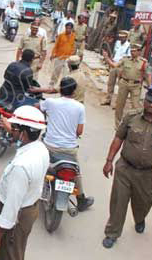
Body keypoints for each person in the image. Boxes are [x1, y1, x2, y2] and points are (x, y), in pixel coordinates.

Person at [102, 85, 152, 249]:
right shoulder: (131, 116)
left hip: (148, 173)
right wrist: (109, 161)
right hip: (125, 167)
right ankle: (112, 232)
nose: (151, 106)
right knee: (118, 201)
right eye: (148, 102)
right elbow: (118, 138)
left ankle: (140, 217)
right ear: (144, 101)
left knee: (144, 202)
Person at [0, 105, 49, 260]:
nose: (10, 130)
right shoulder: (40, 149)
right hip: (29, 208)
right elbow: (23, 142)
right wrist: (12, 129)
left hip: (16, 217)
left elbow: (10, 209)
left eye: (14, 128)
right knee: (17, 250)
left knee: (9, 254)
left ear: (24, 133)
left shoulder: (21, 167)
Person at [38, 77, 94, 211]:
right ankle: (81, 200)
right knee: (76, 172)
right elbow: (79, 131)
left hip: (49, 146)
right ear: (74, 91)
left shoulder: (51, 102)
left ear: (60, 89)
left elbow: (38, 107)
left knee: (40, 165)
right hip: (69, 150)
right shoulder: (80, 107)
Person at [103, 43, 149, 127]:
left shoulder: (143, 63)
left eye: (134, 51)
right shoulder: (125, 60)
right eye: (131, 51)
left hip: (136, 85)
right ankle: (118, 124)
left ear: (139, 52)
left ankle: (133, 125)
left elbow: (148, 74)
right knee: (119, 105)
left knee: (136, 106)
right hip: (124, 83)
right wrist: (106, 58)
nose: (132, 53)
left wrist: (150, 86)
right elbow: (114, 65)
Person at [101, 31, 131, 106]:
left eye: (123, 37)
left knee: (121, 85)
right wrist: (110, 60)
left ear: (126, 37)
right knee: (110, 83)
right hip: (113, 63)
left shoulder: (128, 46)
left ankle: (118, 103)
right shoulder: (117, 43)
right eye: (120, 36)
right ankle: (108, 99)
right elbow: (114, 52)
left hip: (121, 66)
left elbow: (128, 58)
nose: (121, 38)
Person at [50, 22, 75, 87]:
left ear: (72, 29)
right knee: (56, 71)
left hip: (68, 58)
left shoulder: (73, 36)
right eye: (67, 28)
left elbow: (73, 47)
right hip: (59, 57)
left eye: (69, 28)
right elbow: (56, 45)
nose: (68, 30)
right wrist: (53, 54)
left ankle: (63, 86)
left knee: (66, 73)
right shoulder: (61, 35)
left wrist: (72, 55)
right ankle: (52, 84)